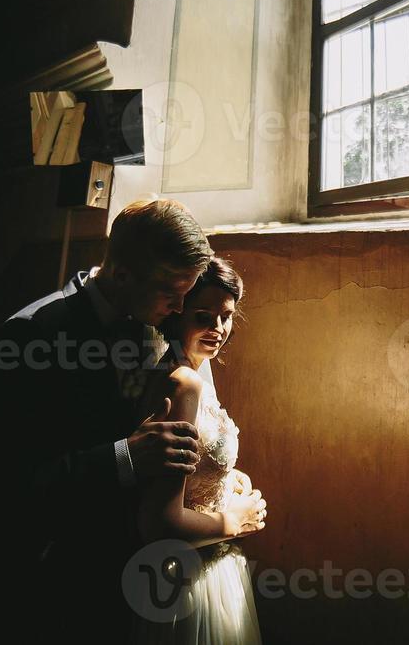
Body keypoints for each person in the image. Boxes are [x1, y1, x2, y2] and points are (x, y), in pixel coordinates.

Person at [0, 198, 266, 642]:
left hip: (133, 574)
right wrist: (125, 457)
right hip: (57, 571)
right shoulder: (32, 335)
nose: (179, 308)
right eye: (173, 295)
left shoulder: (150, 320)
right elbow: (6, 481)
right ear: (122, 274)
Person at [130, 257, 265, 645]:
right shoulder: (182, 384)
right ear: (177, 315)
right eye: (203, 315)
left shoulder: (197, 370)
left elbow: (194, 465)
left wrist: (228, 478)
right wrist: (234, 521)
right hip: (186, 577)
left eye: (226, 317)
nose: (218, 329)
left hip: (212, 565)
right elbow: (158, 522)